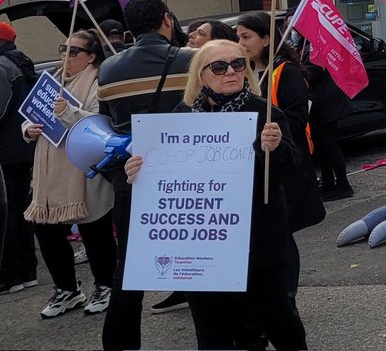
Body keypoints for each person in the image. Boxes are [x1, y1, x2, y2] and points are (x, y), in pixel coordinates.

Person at [123, 39, 307, 349]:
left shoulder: (264, 112)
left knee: (278, 319)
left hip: (256, 239)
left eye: (239, 64)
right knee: (212, 329)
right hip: (201, 241)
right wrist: (138, 171)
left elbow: (288, 172)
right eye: (219, 67)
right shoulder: (182, 114)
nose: (231, 72)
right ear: (200, 75)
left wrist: (273, 149)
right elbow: (164, 170)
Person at [97, 0, 195, 351]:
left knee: (129, 267)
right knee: (197, 260)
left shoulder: (107, 69)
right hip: (187, 179)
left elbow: (106, 121)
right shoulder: (191, 61)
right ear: (166, 20)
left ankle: (120, 344)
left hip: (133, 178)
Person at [21, 28, 117, 318]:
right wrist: (28, 129)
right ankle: (67, 289)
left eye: (74, 51)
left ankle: (106, 285)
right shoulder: (51, 78)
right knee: (45, 229)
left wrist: (68, 112)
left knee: (94, 229)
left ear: (90, 57)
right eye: (64, 48)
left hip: (82, 166)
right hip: (49, 169)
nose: (66, 55)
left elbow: (100, 121)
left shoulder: (99, 80)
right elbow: (28, 115)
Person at [236, 13, 323, 295]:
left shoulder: (286, 72)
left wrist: (272, 130)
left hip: (286, 167)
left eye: (246, 36)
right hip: (255, 167)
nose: (241, 43)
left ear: (266, 39)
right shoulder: (244, 74)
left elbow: (298, 121)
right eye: (238, 36)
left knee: (282, 234)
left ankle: (287, 296)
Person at [0, 19, 39, 295]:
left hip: (6, 150)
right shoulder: (22, 63)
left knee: (9, 212)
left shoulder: (2, 67)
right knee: (21, 209)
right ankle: (27, 271)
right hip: (23, 146)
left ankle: (11, 275)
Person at [300, 58, 353, 200]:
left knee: (330, 146)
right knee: (321, 148)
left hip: (326, 106)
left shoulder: (315, 48)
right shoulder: (305, 47)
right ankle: (328, 183)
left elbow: (314, 72)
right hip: (319, 106)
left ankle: (343, 184)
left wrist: (299, 71)